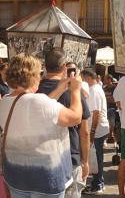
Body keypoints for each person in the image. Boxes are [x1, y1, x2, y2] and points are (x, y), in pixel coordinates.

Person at [0, 53, 84, 198]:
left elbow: (40, 109)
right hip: (46, 180)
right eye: (39, 73)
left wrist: (60, 89)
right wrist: (76, 90)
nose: (41, 76)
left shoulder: (4, 102)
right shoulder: (40, 102)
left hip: (17, 177)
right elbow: (75, 118)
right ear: (32, 76)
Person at [38, 49, 91, 198]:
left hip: (42, 155)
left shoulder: (35, 90)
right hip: (70, 156)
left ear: (45, 66)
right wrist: (85, 161)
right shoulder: (74, 91)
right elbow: (84, 132)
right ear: (64, 68)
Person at [82, 69, 110, 194]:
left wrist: (92, 132)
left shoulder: (94, 90)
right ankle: (98, 182)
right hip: (99, 128)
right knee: (97, 157)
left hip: (98, 129)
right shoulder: (95, 88)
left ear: (88, 77)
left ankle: (98, 184)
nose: (82, 81)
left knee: (96, 157)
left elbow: (96, 113)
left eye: (82, 78)